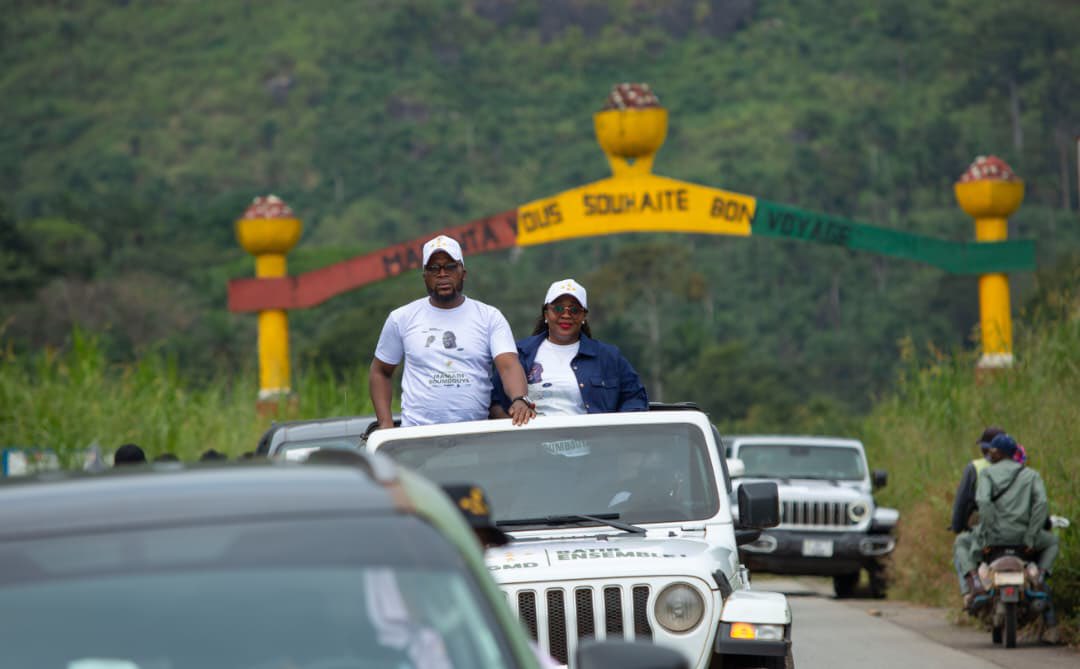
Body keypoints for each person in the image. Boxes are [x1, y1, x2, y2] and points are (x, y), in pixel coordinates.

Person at [370, 235, 535, 428]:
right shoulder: (401, 318)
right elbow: (380, 372)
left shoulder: (489, 316)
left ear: (463, 272)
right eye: (433, 268)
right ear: (425, 275)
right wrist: (385, 424)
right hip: (417, 437)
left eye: (450, 266)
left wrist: (519, 398)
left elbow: (508, 366)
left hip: (475, 435)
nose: (442, 274)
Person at [491, 278, 647, 417]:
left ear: (584, 316)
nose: (566, 315)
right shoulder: (519, 354)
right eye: (558, 309)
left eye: (574, 310)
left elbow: (635, 399)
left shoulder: (609, 356)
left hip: (593, 446)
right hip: (533, 446)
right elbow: (494, 401)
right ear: (546, 313)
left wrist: (614, 436)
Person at [955, 434, 1060, 635]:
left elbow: (984, 503)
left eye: (993, 450)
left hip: (993, 538)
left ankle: (975, 582)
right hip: (1023, 539)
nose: (989, 453)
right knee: (1053, 541)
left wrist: (987, 531)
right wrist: (1031, 536)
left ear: (1000, 453)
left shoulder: (987, 474)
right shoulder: (1031, 475)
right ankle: (1039, 578)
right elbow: (1042, 504)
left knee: (961, 541)